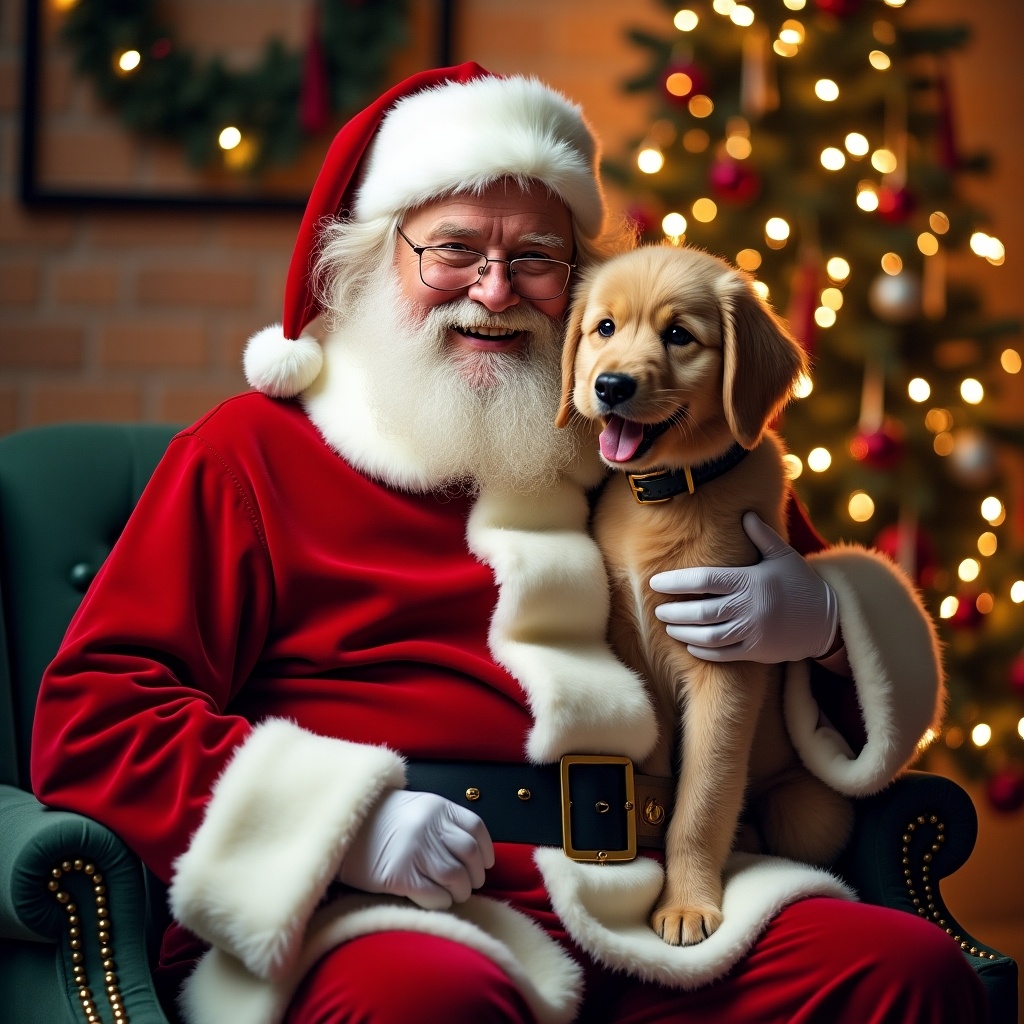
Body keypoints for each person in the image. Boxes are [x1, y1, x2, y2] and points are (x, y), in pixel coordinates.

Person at [32, 63, 986, 1024]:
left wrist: (827, 621)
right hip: (381, 906)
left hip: (652, 899)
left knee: (903, 972)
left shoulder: (643, 425)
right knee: (430, 1003)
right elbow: (96, 715)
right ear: (372, 262)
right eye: (452, 251)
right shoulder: (254, 452)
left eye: (535, 258)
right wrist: (347, 824)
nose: (494, 292)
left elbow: (814, 705)